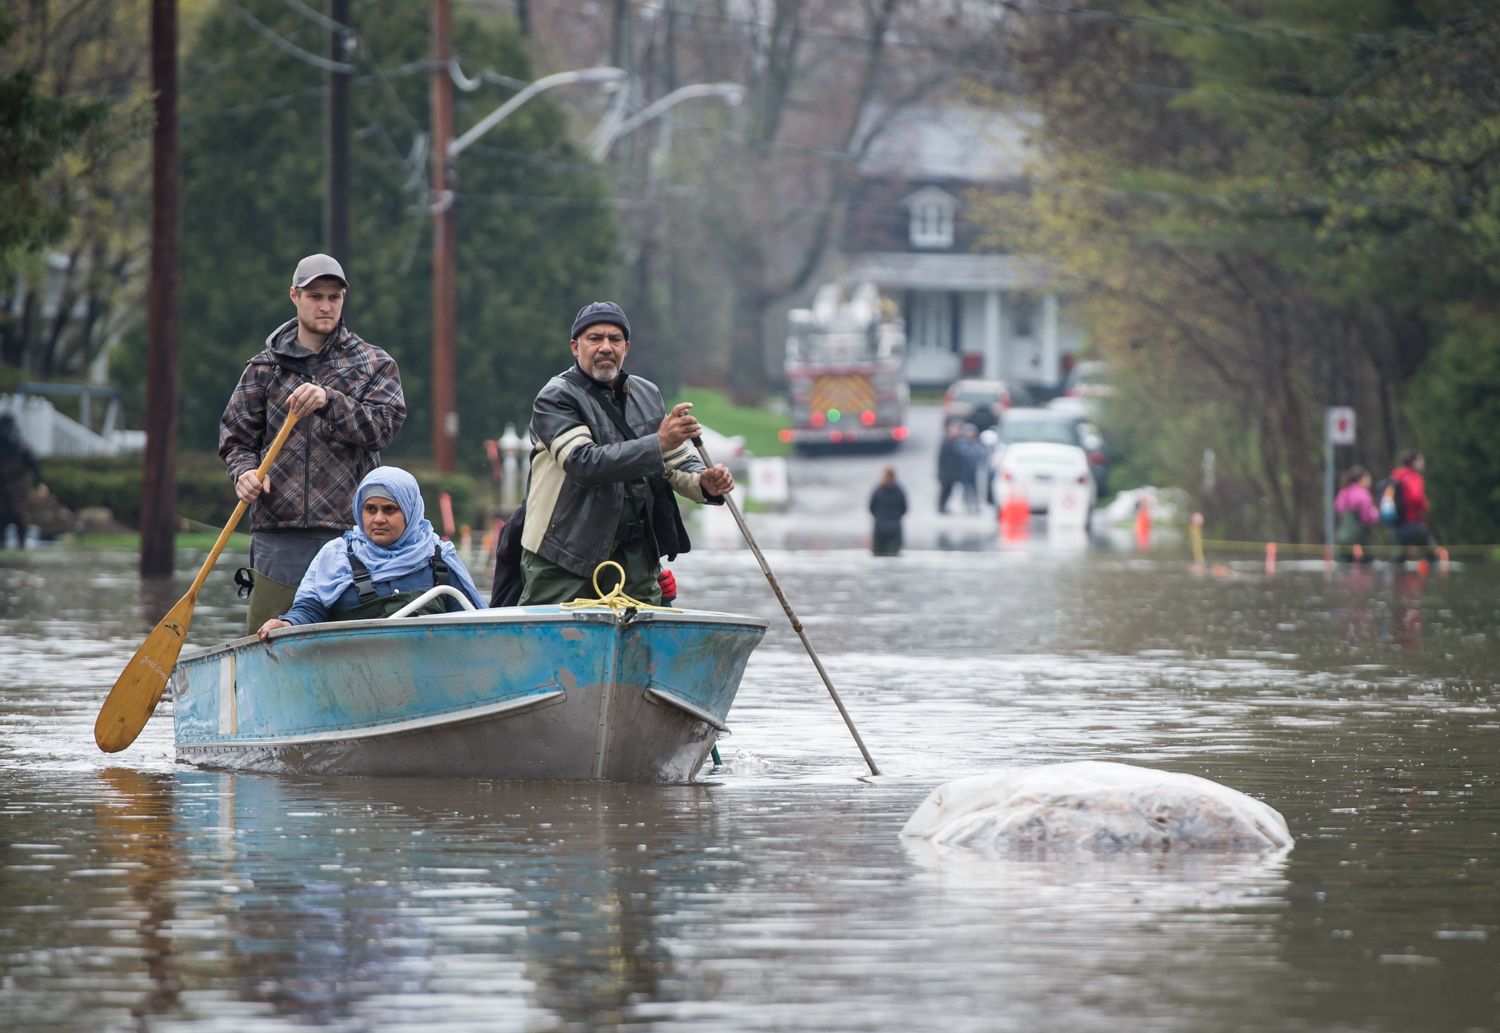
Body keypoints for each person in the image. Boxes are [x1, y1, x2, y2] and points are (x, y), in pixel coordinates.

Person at [219, 254, 407, 633]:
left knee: (352, 644)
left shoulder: (375, 364)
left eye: (334, 297)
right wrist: (243, 473)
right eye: (315, 296)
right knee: (269, 641)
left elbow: (383, 429)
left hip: (351, 536)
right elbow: (236, 439)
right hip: (277, 536)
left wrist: (329, 401)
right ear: (294, 296)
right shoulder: (263, 368)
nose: (325, 306)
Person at [517, 301, 735, 606]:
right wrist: (658, 443)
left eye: (615, 339)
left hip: (636, 559)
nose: (606, 347)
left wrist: (704, 481)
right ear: (575, 347)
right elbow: (584, 463)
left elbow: (675, 460)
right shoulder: (555, 398)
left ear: (626, 348)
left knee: (646, 637)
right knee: (556, 634)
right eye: (595, 338)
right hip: (564, 555)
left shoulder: (648, 395)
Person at [257, 468, 483, 641]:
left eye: (390, 510)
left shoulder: (439, 558)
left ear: (410, 512)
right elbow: (310, 610)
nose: (378, 519)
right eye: (370, 509)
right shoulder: (337, 556)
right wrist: (287, 624)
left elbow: (477, 625)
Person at [0, 413, 45, 547]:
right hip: (2, 488)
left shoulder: (21, 448)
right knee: (2, 516)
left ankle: (21, 543)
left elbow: (35, 466)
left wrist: (40, 483)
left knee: (18, 515)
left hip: (18, 487)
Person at [1386, 449, 1437, 562]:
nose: (1423, 463)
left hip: (1396, 527)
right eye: (1421, 460)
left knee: (1396, 562)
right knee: (1433, 557)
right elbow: (1416, 497)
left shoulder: (1395, 475)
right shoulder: (1415, 477)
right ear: (1414, 461)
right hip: (1413, 525)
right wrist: (1425, 507)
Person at [1334, 464, 1378, 562]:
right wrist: (1375, 515)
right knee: (1367, 564)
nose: (1369, 481)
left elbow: (1338, 511)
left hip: (1342, 537)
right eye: (1367, 478)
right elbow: (1367, 518)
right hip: (1359, 539)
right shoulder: (1363, 494)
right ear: (1360, 479)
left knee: (1343, 565)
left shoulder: (1342, 493)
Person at [869, 466, 907, 556]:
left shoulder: (877, 491)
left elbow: (871, 508)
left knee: (877, 556)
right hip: (894, 529)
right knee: (893, 556)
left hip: (879, 528)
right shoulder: (899, 491)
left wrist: (879, 517)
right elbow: (904, 509)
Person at [936, 422, 965, 514]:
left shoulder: (955, 441)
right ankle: (941, 506)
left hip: (951, 473)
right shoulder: (947, 442)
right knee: (945, 490)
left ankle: (943, 506)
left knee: (949, 491)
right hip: (946, 473)